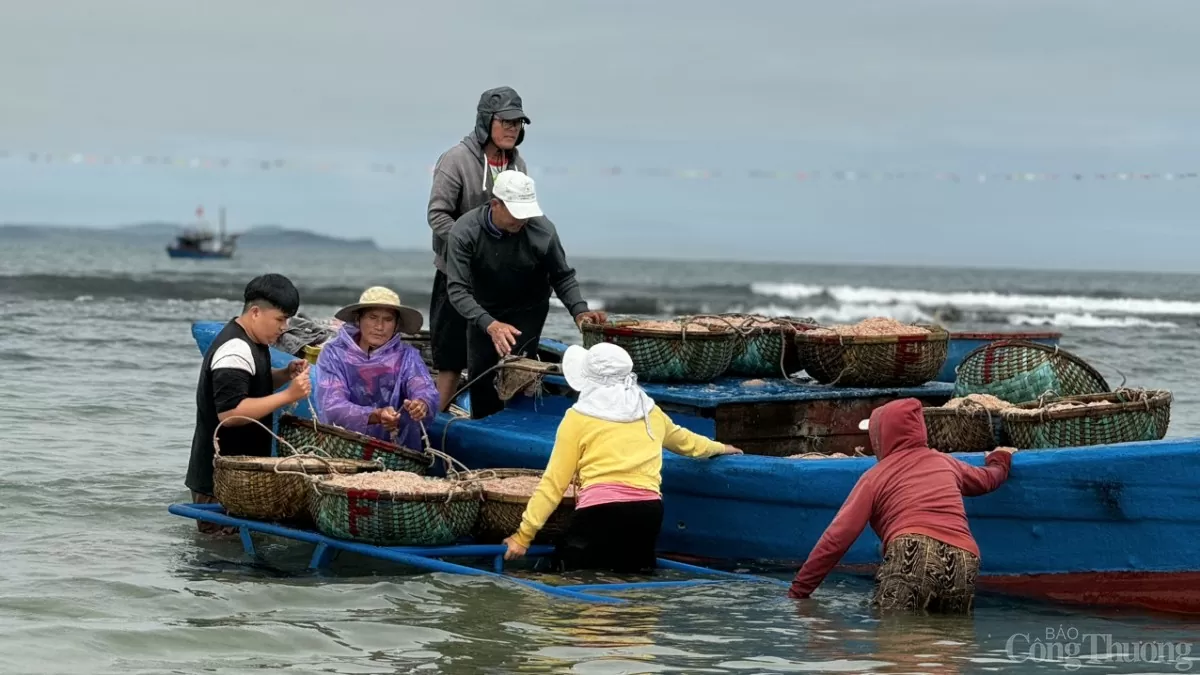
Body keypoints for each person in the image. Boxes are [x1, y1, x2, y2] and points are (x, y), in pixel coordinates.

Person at [502, 343, 743, 572]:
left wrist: (523, 536)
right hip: (648, 515)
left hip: (599, 513)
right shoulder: (650, 412)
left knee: (565, 577)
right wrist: (720, 448)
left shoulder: (577, 418)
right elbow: (687, 442)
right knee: (635, 590)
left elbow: (554, 484)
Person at [787, 397, 1016, 613]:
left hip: (912, 551)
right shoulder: (946, 462)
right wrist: (1000, 459)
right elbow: (988, 479)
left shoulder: (874, 477)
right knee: (950, 645)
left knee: (895, 641)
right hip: (964, 559)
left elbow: (837, 538)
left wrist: (799, 591)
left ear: (882, 437)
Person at [445, 170, 606, 419]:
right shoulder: (465, 231)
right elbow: (457, 289)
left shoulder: (543, 231)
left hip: (528, 308)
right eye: (516, 214)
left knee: (520, 373)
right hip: (484, 309)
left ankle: (519, 428)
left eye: (526, 213)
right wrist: (489, 324)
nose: (521, 221)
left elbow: (562, 276)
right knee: (482, 377)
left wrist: (579, 311)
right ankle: (484, 433)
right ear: (495, 204)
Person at [427, 86, 532, 412]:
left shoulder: (518, 166)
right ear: (487, 122)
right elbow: (436, 215)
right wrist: (471, 245)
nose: (513, 129)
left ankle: (488, 422)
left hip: (498, 279)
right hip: (456, 274)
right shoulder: (456, 160)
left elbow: (522, 216)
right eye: (506, 122)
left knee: (494, 358)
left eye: (518, 123)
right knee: (450, 359)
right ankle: (432, 425)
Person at [186, 274, 311, 533]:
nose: (284, 327)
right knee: (222, 559)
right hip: (218, 481)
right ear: (255, 312)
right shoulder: (235, 349)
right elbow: (231, 413)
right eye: (280, 319)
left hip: (237, 478)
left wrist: (285, 374)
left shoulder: (253, 340)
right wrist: (288, 396)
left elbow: (253, 384)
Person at [316, 287, 438, 448]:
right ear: (359, 319)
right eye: (373, 317)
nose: (379, 326)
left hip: (396, 450)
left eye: (388, 320)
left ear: (396, 325)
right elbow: (332, 406)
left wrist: (421, 403)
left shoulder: (407, 356)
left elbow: (422, 386)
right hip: (342, 445)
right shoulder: (334, 354)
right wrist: (376, 415)